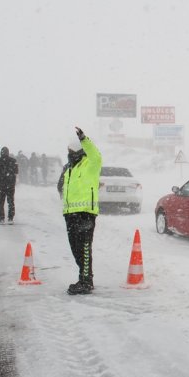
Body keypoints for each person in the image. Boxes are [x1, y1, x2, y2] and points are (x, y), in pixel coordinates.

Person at [57, 126, 102, 295]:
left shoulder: (90, 164)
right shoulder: (69, 168)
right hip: (70, 214)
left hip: (85, 213)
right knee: (75, 248)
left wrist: (84, 139)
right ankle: (84, 277)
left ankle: (86, 281)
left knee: (84, 248)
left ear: (77, 150)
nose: (68, 152)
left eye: (70, 149)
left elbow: (96, 154)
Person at [0, 146, 19, 224]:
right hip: (10, 184)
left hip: (1, 184)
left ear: (1, 152)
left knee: (0, 202)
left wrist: (1, 173)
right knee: (11, 201)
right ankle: (10, 218)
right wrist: (10, 173)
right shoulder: (13, 161)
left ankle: (1, 219)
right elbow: (16, 171)